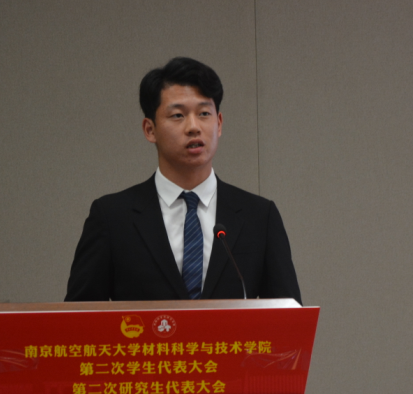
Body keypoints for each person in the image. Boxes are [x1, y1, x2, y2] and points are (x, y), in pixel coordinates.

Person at [64, 57, 301, 304]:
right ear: (150, 129)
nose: (193, 127)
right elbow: (78, 318)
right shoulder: (112, 217)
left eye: (204, 113)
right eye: (178, 115)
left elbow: (289, 317)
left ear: (219, 124)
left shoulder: (259, 217)